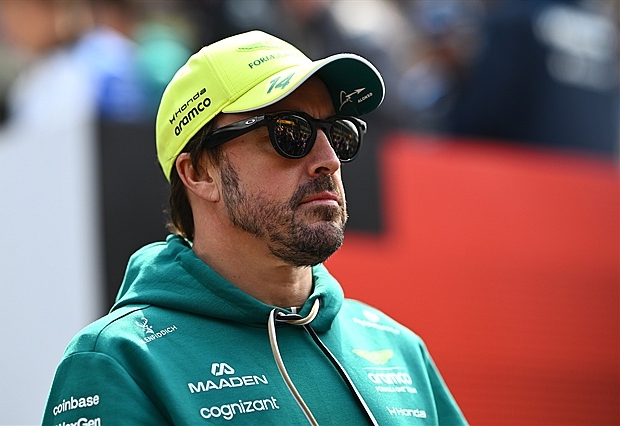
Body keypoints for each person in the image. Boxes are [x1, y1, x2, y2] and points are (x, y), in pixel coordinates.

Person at [41, 30, 467, 425]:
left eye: (338, 134)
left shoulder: (398, 349)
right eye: (289, 133)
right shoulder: (119, 360)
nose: (329, 160)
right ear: (199, 173)